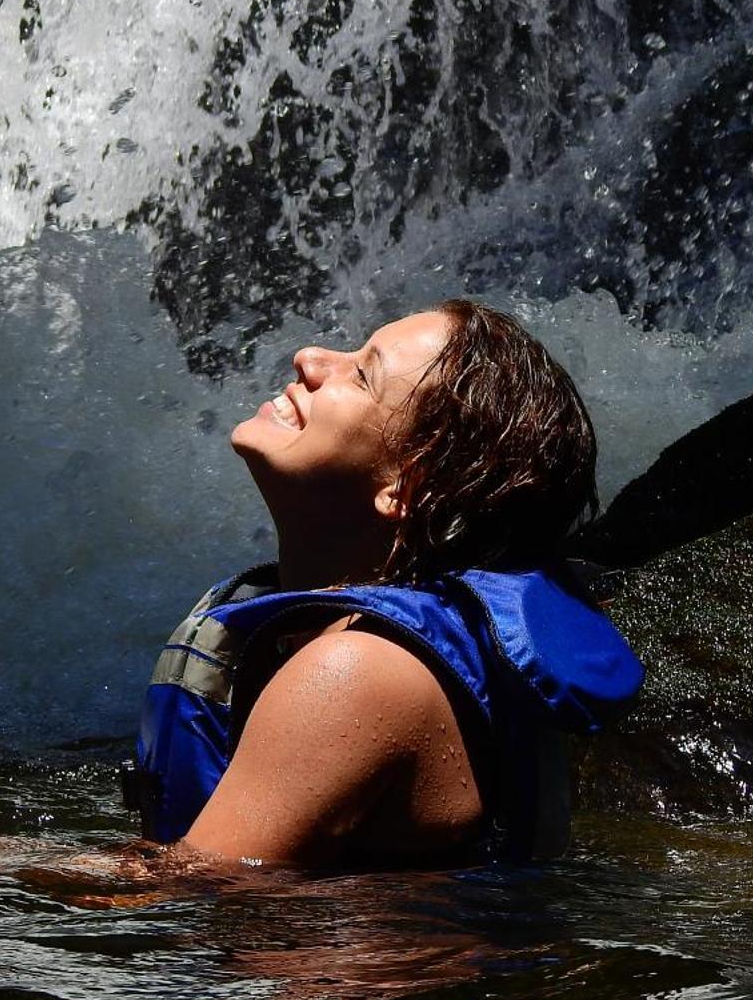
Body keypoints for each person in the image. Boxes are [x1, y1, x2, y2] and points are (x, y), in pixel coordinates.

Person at [122, 300, 644, 868]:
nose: (310, 358)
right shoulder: (384, 648)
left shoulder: (357, 673)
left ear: (405, 486)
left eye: (363, 375)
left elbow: (190, 889)